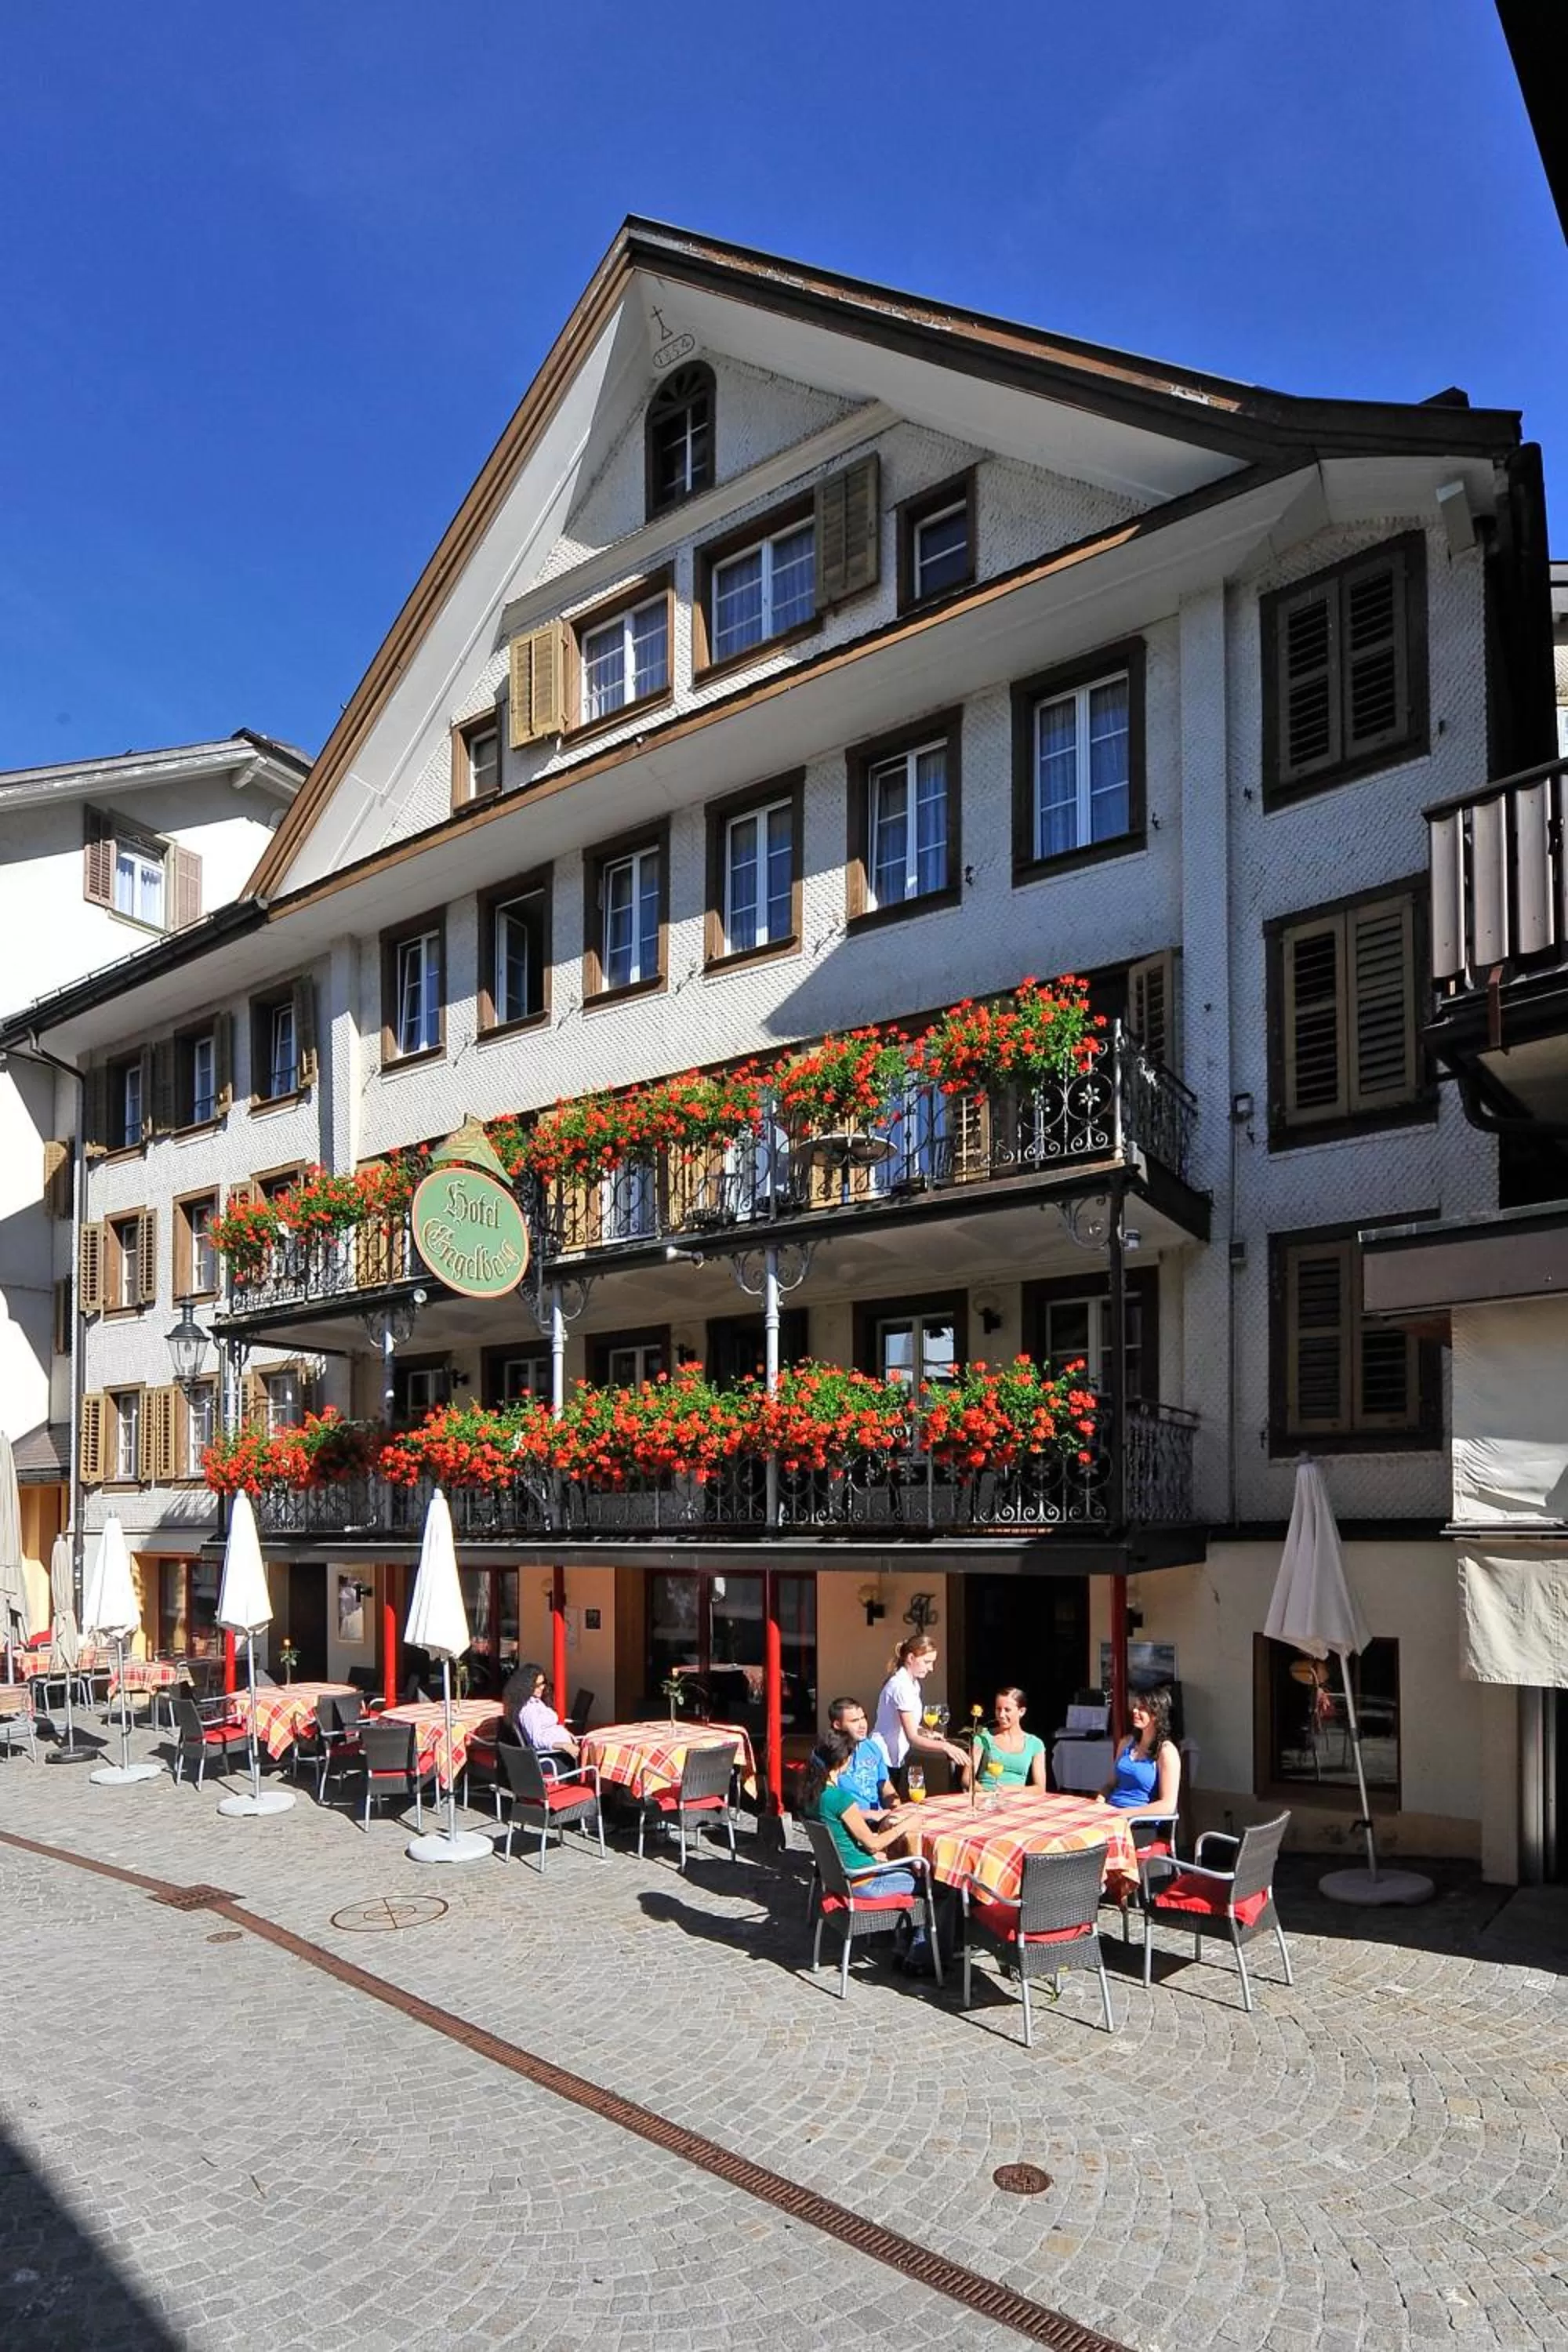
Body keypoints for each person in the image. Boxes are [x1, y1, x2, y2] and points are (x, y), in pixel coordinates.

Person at [873, 1635, 971, 1791]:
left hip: (894, 1758)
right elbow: (913, 1738)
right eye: (927, 1662)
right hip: (882, 1758)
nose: (931, 1668)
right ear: (911, 1658)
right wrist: (946, 1747)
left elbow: (908, 1725)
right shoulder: (900, 1686)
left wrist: (925, 1732)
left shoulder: (913, 1684)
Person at [1097, 1685, 1181, 1817]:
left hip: (1140, 1821)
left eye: (1141, 1708)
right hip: (1113, 1815)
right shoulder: (1126, 1743)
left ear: (1155, 1714)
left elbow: (1168, 1805)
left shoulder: (1166, 1752)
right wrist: (1100, 1801)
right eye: (1135, 1707)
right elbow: (1110, 1784)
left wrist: (1125, 1813)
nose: (1135, 1711)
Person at [810, 1697, 897, 1819]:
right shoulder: (829, 1753)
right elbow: (824, 1801)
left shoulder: (872, 1748)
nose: (862, 1725)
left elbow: (886, 1786)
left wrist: (896, 1809)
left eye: (863, 1718)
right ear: (837, 1725)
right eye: (854, 1721)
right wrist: (866, 1815)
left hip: (878, 1819)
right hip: (849, 1823)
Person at [506, 1661, 579, 1770]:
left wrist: (566, 1734)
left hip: (561, 1754)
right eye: (537, 1685)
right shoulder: (529, 1709)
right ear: (527, 1686)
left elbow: (548, 1727)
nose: (542, 1687)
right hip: (551, 1759)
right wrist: (564, 1745)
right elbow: (537, 1740)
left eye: (543, 1683)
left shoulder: (536, 1702)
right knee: (593, 1767)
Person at [972, 1686, 1046, 1791]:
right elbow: (967, 1779)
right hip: (986, 1799)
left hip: (1017, 1800)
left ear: (1022, 1711)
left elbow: (1040, 1788)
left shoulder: (1035, 1744)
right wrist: (987, 1794)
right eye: (998, 1709)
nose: (1001, 1715)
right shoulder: (983, 1737)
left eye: (1007, 1710)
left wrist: (1012, 1790)